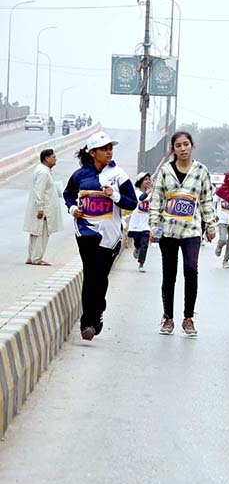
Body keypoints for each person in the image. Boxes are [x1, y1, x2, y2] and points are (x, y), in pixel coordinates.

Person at [63, 132, 137, 340]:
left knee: (100, 276)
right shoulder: (80, 175)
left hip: (110, 234)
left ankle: (98, 312)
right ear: (92, 152)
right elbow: (68, 194)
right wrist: (72, 209)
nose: (109, 151)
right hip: (85, 230)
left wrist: (113, 195)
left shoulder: (118, 174)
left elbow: (132, 203)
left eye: (110, 148)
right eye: (104, 149)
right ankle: (87, 323)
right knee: (90, 274)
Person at [149, 131, 216, 337]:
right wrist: (154, 226)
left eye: (186, 144)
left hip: (192, 231)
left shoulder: (201, 171)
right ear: (173, 149)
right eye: (178, 145)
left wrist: (211, 226)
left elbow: (206, 200)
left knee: (190, 270)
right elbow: (157, 199)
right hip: (168, 230)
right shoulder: (165, 171)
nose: (183, 149)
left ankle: (188, 318)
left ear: (192, 145)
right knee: (169, 274)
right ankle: (168, 317)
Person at [24, 149, 63, 266]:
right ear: (46, 158)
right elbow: (39, 191)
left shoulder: (42, 170)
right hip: (44, 209)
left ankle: (32, 257)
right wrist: (40, 208)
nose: (55, 159)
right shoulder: (43, 172)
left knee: (35, 232)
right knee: (41, 233)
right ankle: (37, 258)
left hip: (42, 207)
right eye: (54, 157)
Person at [128, 172, 153, 273]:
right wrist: (148, 192)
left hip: (146, 224)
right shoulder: (135, 193)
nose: (147, 181)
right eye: (145, 179)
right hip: (136, 223)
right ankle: (136, 248)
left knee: (145, 243)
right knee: (138, 243)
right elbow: (141, 198)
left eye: (149, 179)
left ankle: (141, 263)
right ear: (140, 181)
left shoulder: (151, 194)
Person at [214, 171, 229, 269]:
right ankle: (219, 246)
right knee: (223, 239)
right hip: (222, 220)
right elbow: (214, 203)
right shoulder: (220, 191)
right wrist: (215, 214)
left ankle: (226, 260)